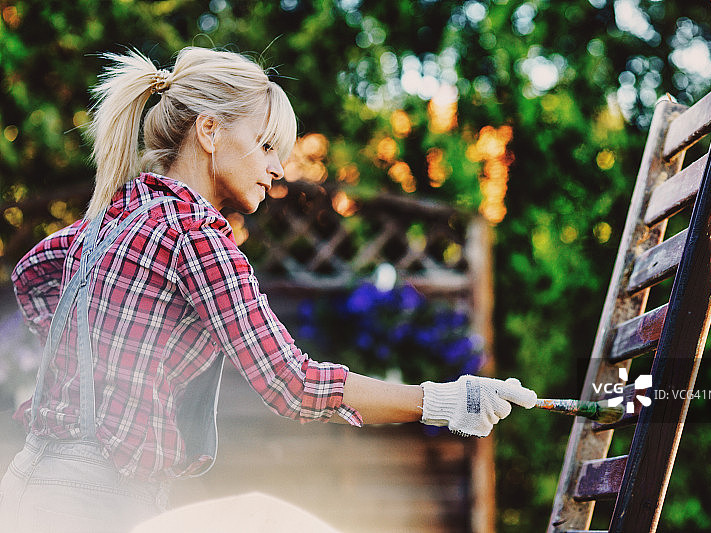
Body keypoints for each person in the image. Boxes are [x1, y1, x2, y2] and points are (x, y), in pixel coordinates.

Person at [0, 47, 537, 533]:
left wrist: (110, 360)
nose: (277, 169)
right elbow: (295, 384)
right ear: (209, 132)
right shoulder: (194, 232)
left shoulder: (113, 219)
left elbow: (32, 275)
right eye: (264, 146)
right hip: (96, 502)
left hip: (28, 483)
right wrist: (444, 401)